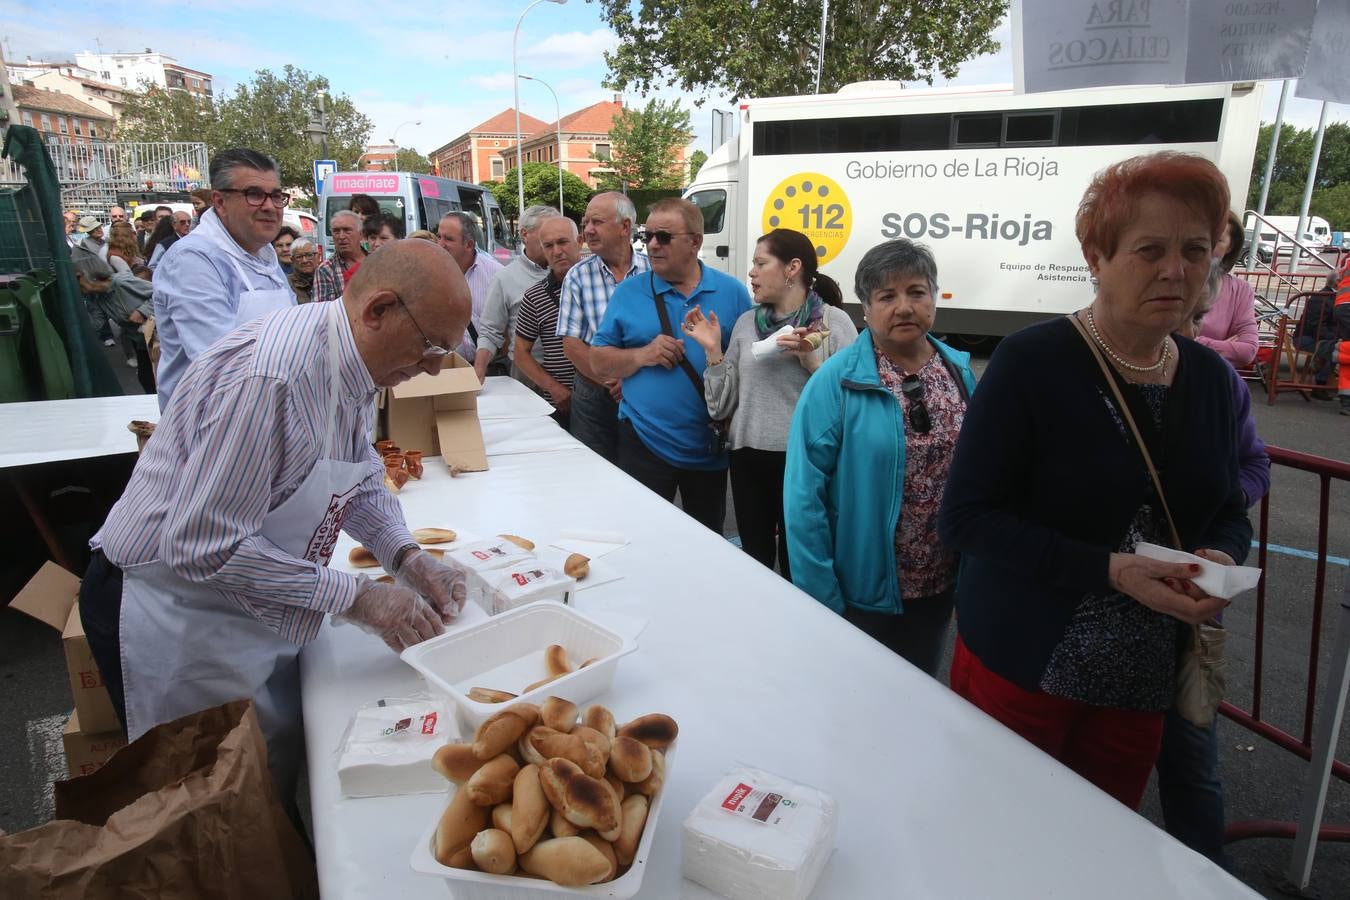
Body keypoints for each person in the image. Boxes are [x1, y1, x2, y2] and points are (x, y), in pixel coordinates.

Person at [79, 240, 474, 806]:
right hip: (172, 613)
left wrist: (406, 556)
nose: (435, 367)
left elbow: (354, 475)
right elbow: (201, 547)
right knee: (203, 809)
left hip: (238, 604)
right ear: (378, 309)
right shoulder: (271, 379)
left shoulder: (358, 361)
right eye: (432, 346)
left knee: (260, 790)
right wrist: (357, 598)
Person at [938, 152, 1253, 810]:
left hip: (1140, 681)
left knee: (1100, 846)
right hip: (1024, 669)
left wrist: (1223, 556)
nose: (1177, 270)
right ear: (1097, 255)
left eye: (1196, 249)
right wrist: (1110, 569)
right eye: (1149, 249)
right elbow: (966, 518)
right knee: (993, 831)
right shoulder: (1032, 363)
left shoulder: (1213, 380)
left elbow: (1228, 507)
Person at [783, 239, 971, 672]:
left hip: (940, 584)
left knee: (920, 691)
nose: (904, 306)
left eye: (916, 292)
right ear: (865, 309)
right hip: (862, 592)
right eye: (887, 296)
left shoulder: (958, 371)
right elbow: (802, 498)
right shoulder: (837, 382)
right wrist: (821, 599)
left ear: (934, 297)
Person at [1151, 258, 1270, 867]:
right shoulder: (1069, 369)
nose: (1189, 330)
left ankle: (1201, 875)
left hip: (1188, 607)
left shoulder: (1216, 384)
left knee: (1193, 760)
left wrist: (1220, 536)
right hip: (1101, 621)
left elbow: (1252, 470)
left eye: (1199, 315)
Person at [687, 228, 857, 580]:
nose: (751, 272)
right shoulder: (748, 323)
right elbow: (720, 408)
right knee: (755, 562)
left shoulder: (833, 323)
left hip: (806, 460)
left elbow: (854, 403)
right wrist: (713, 351)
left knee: (802, 561)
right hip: (748, 455)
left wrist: (810, 362)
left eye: (760, 263)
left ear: (792, 268)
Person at [591, 198, 752, 533]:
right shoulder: (629, 292)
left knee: (706, 542)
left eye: (663, 237)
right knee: (643, 536)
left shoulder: (732, 293)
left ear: (695, 242)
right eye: (647, 235)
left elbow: (750, 366)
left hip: (708, 447)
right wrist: (641, 355)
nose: (651, 245)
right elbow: (598, 359)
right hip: (643, 441)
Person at [152, 148, 295, 409]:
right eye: (254, 195)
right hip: (206, 425)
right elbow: (222, 362)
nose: (269, 207)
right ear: (219, 202)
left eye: (276, 196)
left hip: (265, 413)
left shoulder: (265, 255)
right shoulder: (193, 259)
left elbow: (297, 334)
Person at [556, 192, 649, 463]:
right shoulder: (578, 275)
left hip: (644, 391)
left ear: (625, 227)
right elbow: (571, 343)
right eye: (586, 223)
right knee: (594, 474)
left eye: (597, 222)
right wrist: (613, 382)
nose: (588, 230)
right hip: (594, 396)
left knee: (642, 477)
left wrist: (632, 383)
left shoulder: (652, 271)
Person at [474, 204, 559, 382]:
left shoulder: (572, 273)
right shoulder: (504, 278)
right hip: (528, 375)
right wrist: (479, 370)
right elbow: (490, 331)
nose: (552, 240)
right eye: (545, 233)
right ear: (524, 235)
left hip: (572, 374)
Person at [516, 216, 584, 427]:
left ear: (579, 241)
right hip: (561, 404)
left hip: (607, 398)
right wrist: (553, 388)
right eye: (548, 246)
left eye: (563, 242)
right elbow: (519, 352)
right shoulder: (535, 296)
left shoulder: (601, 285)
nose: (556, 251)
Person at [1195, 211, 1259, 368]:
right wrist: (1221, 347)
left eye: (1216, 241)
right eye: (1199, 240)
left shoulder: (1241, 291)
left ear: (1230, 246)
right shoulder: (1171, 281)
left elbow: (1247, 351)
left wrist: (1196, 343)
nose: (1206, 249)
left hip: (1214, 384)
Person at [437, 211, 505, 359]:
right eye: (439, 237)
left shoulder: (496, 274)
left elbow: (510, 327)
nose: (440, 244)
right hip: (445, 370)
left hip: (489, 371)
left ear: (469, 245)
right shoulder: (429, 274)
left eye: (448, 239)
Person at [70, 217, 120, 347]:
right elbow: (77, 265)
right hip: (93, 283)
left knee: (114, 307)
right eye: (94, 228)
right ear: (88, 231)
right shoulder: (81, 246)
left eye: (98, 227)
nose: (98, 230)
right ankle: (106, 335)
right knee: (96, 310)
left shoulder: (107, 242)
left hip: (110, 279)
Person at [110, 264, 158, 393]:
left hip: (158, 337)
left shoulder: (154, 292)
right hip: (142, 340)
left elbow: (160, 295)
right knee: (146, 376)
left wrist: (143, 311)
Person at [315, 210, 368, 304]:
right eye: (336, 231)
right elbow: (323, 310)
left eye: (347, 230)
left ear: (361, 234)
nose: (341, 236)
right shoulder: (326, 269)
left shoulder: (376, 262)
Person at [288, 238, 318, 304]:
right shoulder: (287, 284)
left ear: (317, 256)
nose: (304, 260)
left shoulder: (325, 278)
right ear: (292, 260)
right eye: (299, 257)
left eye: (309, 255)